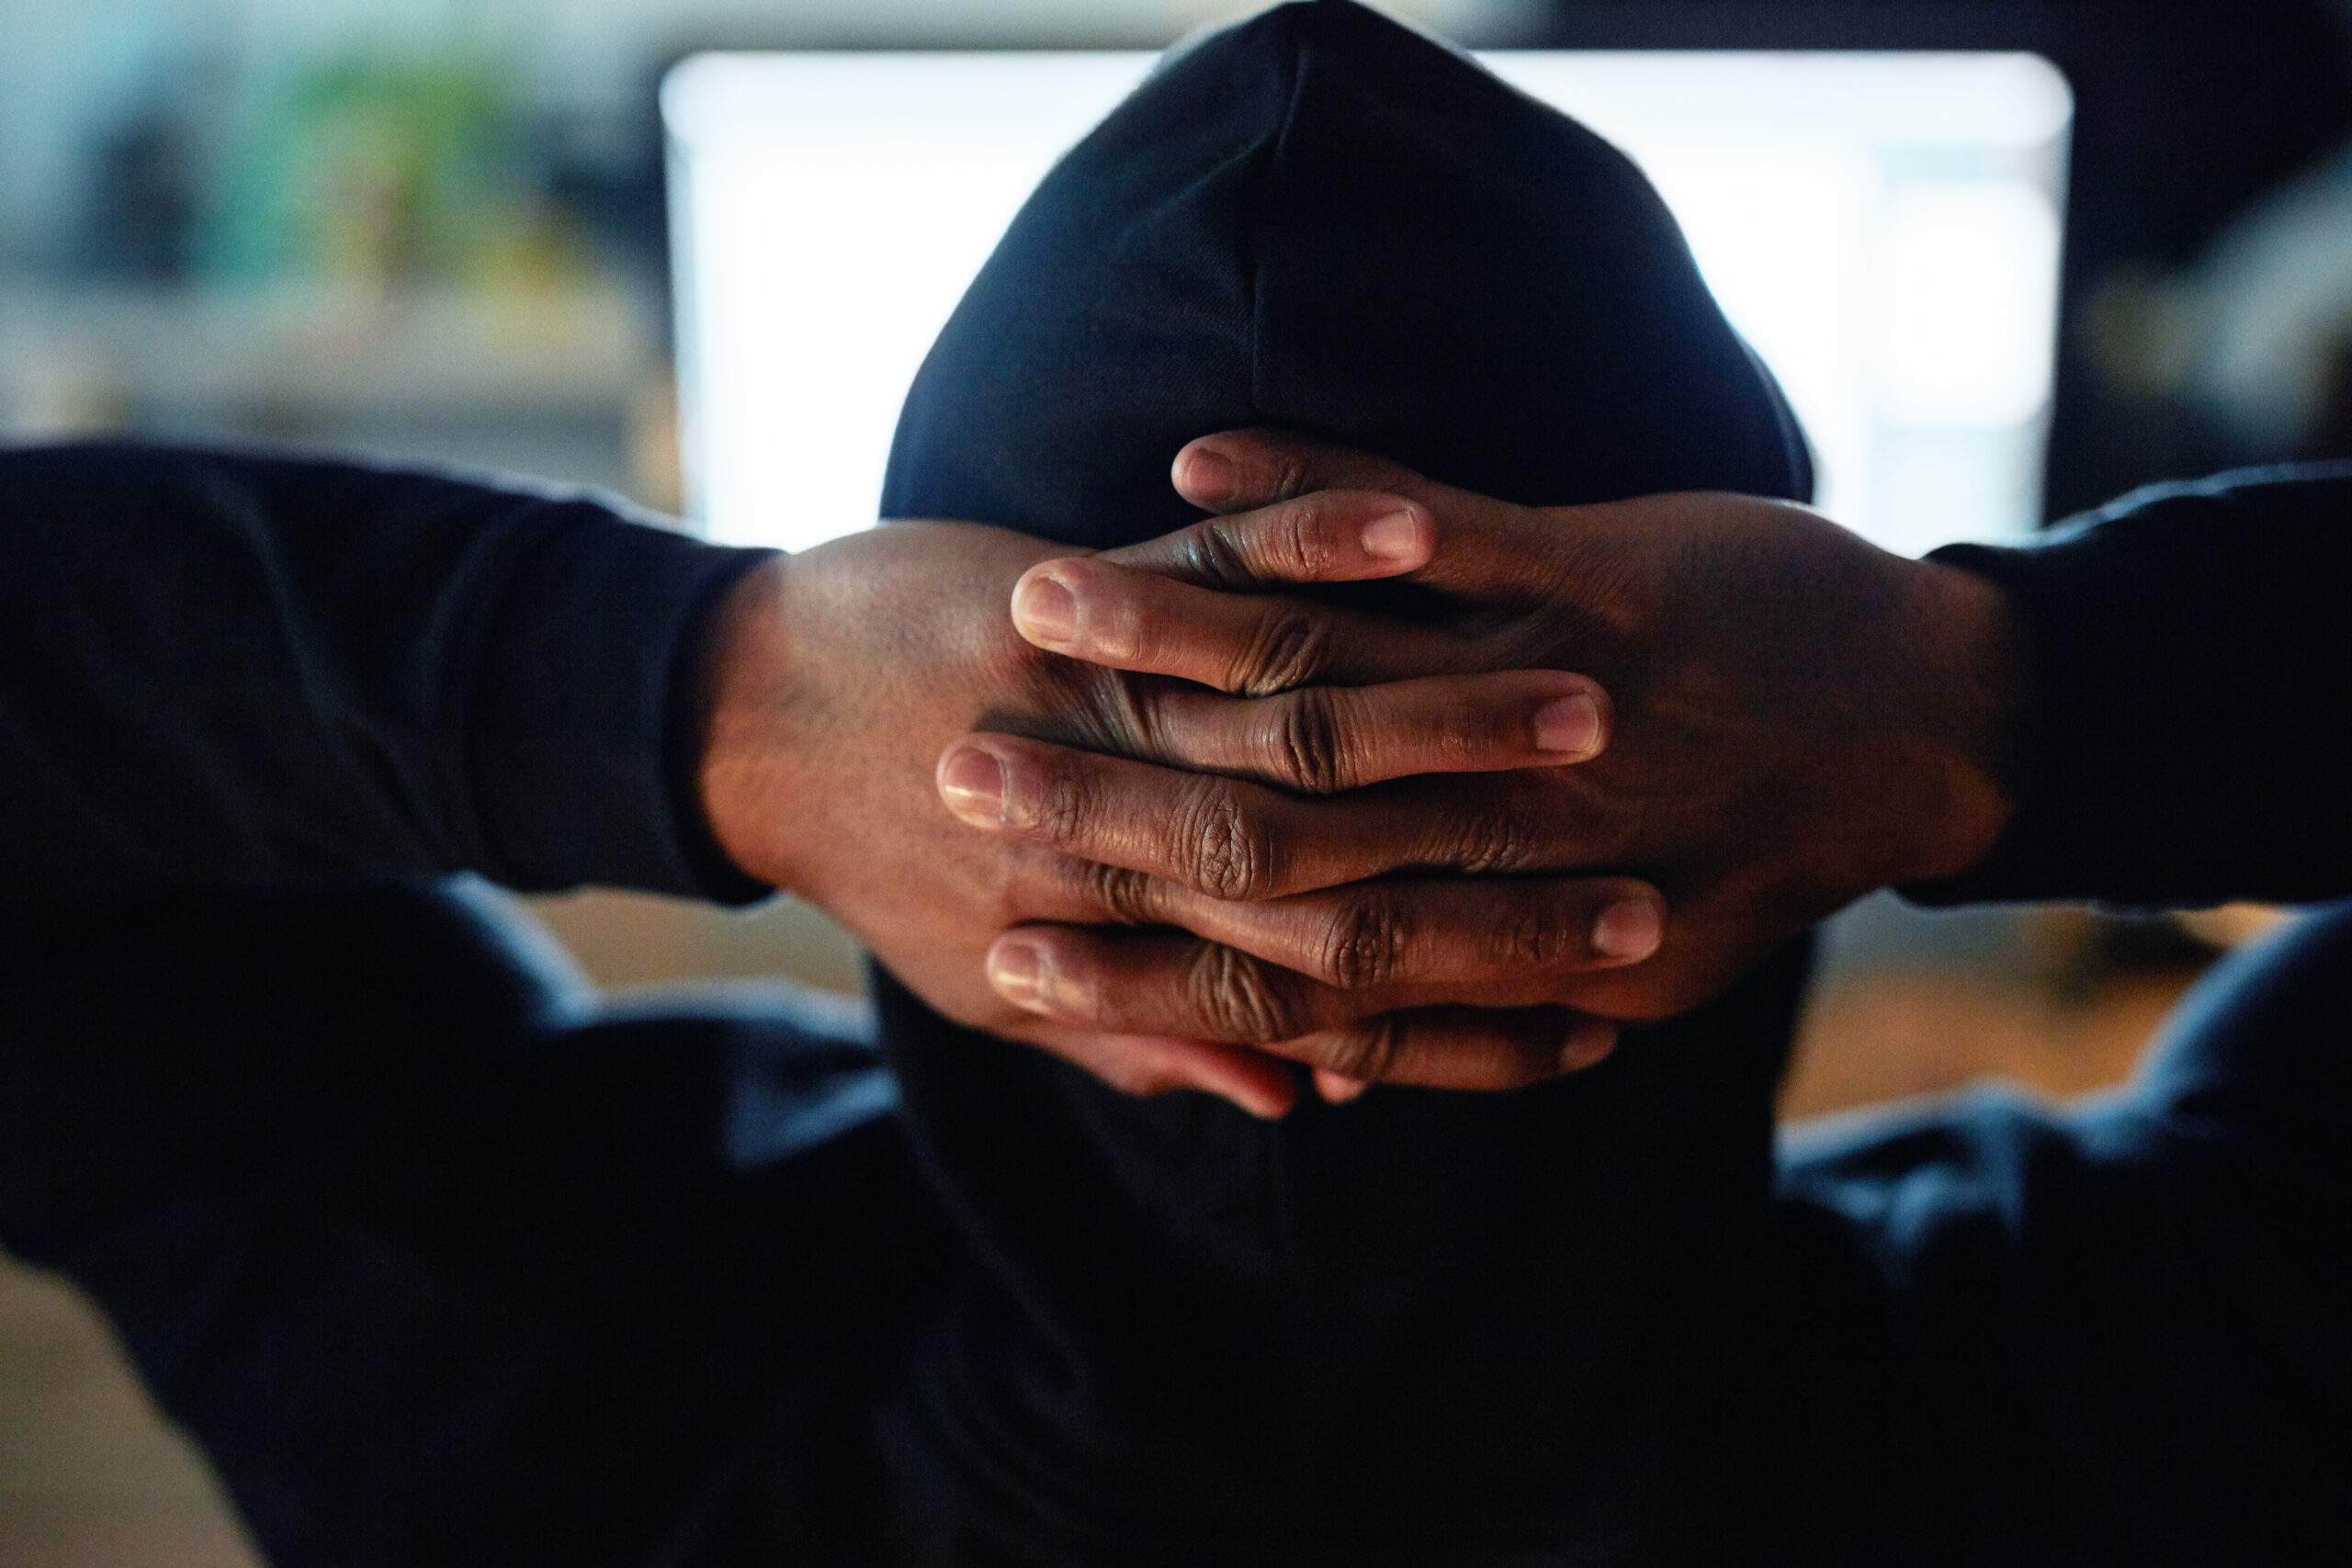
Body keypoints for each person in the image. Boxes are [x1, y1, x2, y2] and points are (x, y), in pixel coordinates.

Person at [0, 6, 2343, 1567]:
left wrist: (686, 692)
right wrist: (1998, 702)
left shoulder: (540, 1417)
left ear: (915, 795)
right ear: (1767, 810)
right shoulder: (2171, 1402)